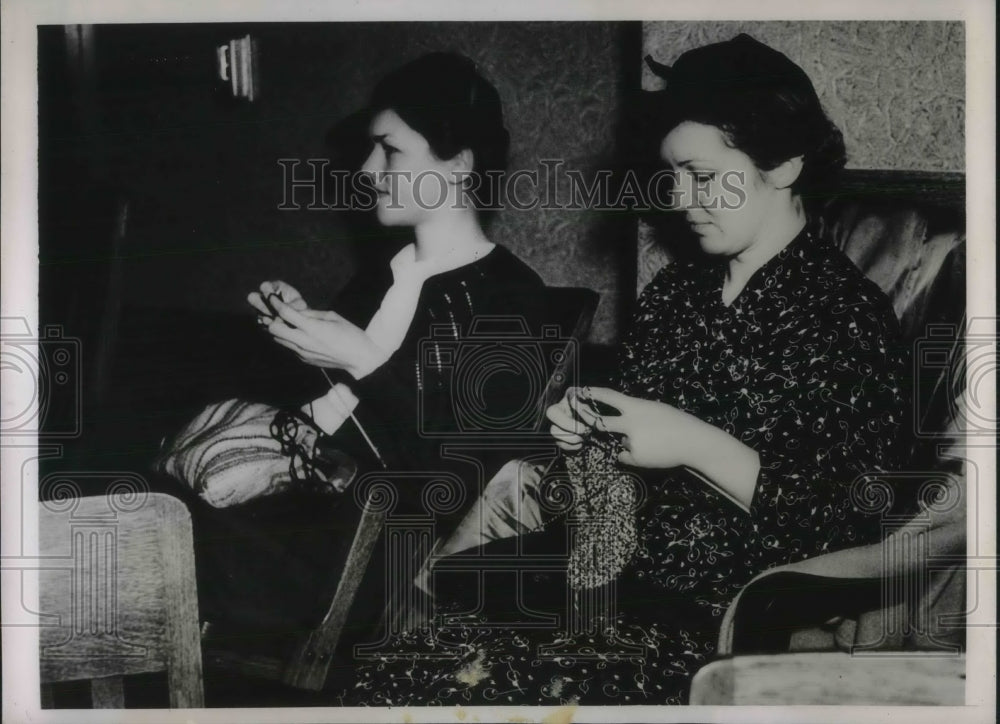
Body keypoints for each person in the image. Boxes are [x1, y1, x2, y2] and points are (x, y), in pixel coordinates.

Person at [338, 34, 911, 706]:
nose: (678, 197)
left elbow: (845, 528)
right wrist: (586, 440)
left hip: (723, 617)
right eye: (671, 176)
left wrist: (690, 442)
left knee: (457, 680)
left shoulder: (845, 317)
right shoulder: (677, 294)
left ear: (783, 163)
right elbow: (612, 482)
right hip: (608, 572)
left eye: (701, 175)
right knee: (406, 660)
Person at [168, 52, 550, 648]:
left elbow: (456, 484)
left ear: (458, 164)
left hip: (358, 560)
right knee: (138, 515)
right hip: (282, 518)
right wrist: (300, 335)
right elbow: (326, 417)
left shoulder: (514, 299)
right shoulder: (381, 275)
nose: (369, 169)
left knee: (138, 536)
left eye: (391, 150)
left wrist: (361, 361)